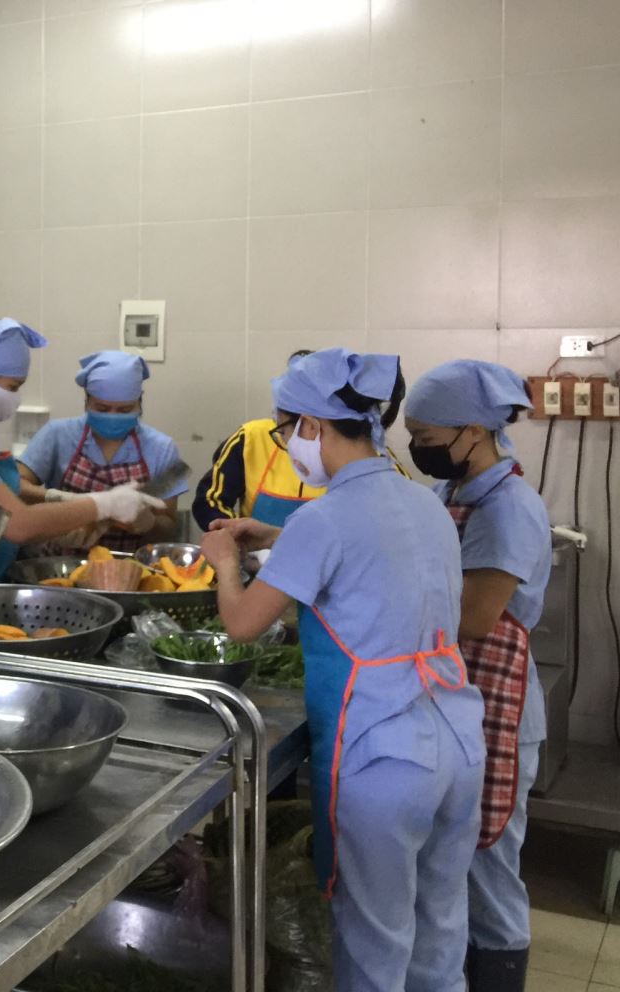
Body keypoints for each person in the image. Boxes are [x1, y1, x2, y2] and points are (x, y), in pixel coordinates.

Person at [201, 348, 486, 992]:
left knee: (374, 945)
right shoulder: (424, 503)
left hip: (384, 756)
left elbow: (243, 624)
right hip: (458, 742)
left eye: (287, 429)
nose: (288, 443)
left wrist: (224, 560)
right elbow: (370, 548)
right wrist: (273, 535)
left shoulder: (323, 517)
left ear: (312, 426)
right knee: (440, 931)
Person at [405, 361, 551, 992]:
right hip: (457, 700)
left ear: (472, 431)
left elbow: (475, 616)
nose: (418, 449)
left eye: (427, 439)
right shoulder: (452, 492)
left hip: (500, 710)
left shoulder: (509, 508)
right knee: (450, 867)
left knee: (488, 874)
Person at [0, 319, 164, 582]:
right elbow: (18, 524)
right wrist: (105, 504)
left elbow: (1, 511)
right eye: (13, 387)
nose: (16, 398)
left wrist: (57, 520)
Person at [17, 350, 189, 549]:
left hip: (130, 564)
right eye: (102, 409)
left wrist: (149, 524)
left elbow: (168, 526)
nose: (113, 416)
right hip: (60, 561)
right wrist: (62, 499)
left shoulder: (162, 448)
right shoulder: (57, 434)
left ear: (139, 403)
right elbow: (16, 485)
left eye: (124, 410)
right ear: (87, 401)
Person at [192, 349, 321, 529]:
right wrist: (236, 533)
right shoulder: (250, 439)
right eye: (282, 430)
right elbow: (209, 501)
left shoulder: (339, 449)